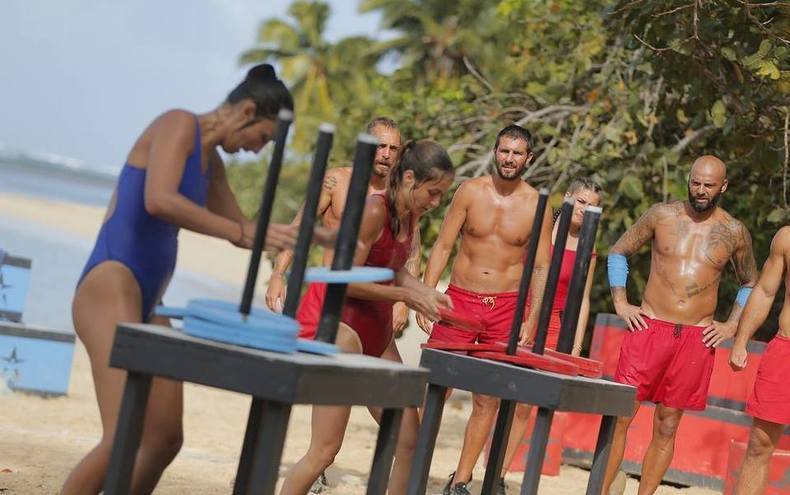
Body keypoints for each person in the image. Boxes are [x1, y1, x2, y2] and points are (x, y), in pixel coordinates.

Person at [62, 64, 330, 495]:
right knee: (121, 436)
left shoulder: (212, 165)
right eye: (263, 138)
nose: (257, 150)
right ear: (246, 111)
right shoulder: (178, 124)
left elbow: (245, 231)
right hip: (109, 284)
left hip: (148, 299)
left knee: (164, 438)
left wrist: (304, 234)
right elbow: (159, 199)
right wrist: (237, 231)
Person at [279, 140, 455, 495]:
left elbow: (391, 267)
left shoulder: (410, 215)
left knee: (410, 443)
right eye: (433, 192)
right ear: (409, 178)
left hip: (378, 333)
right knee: (324, 452)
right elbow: (340, 278)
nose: (436, 202)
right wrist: (403, 295)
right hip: (342, 330)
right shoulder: (374, 211)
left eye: (442, 194)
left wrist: (424, 292)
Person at [602, 155, 758, 494]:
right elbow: (618, 252)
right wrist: (620, 302)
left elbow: (750, 282)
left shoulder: (734, 231)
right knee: (620, 416)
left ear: (723, 187)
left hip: (694, 339)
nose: (700, 190)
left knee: (668, 425)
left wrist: (732, 325)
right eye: (695, 182)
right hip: (649, 329)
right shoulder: (661, 215)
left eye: (708, 185)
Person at [416, 124, 552, 495]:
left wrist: (532, 318)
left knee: (488, 396)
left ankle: (460, 481)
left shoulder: (537, 204)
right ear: (495, 152)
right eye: (504, 151)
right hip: (459, 299)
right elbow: (444, 245)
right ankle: (413, 463)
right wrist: (426, 293)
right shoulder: (470, 191)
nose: (509, 158)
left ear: (529, 158)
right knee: (436, 385)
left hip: (506, 307)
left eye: (517, 153)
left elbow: (541, 266)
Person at [264, 117, 420, 338]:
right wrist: (278, 275)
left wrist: (403, 304)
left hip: (374, 301)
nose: (386, 154)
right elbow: (299, 229)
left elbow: (412, 252)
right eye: (380, 146)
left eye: (393, 149)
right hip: (332, 295)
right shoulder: (336, 181)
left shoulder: (400, 197)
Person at [498, 178, 603, 490]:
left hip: (553, 327)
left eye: (592, 206)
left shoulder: (588, 248)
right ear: (568, 197)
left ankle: (500, 474)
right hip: (518, 311)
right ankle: (471, 469)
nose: (584, 209)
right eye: (580, 201)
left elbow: (582, 300)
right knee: (492, 394)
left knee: (525, 405)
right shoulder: (541, 230)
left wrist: (576, 348)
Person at [729, 227, 790, 495]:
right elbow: (765, 291)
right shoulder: (786, 238)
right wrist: (741, 340)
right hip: (785, 351)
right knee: (759, 444)